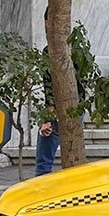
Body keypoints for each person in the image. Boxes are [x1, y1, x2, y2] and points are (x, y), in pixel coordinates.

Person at [36, 9, 60, 176]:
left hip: (58, 111)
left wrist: (48, 118)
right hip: (69, 109)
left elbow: (49, 87)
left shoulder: (50, 51)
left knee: (43, 163)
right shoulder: (76, 49)